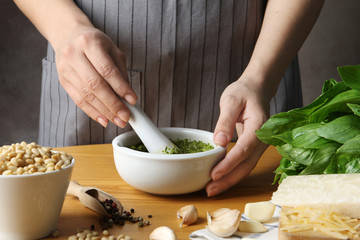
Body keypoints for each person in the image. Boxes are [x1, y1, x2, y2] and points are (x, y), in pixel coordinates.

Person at [14, 0, 324, 196]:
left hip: (251, 65)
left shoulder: (257, 76)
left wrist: (259, 78)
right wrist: (66, 28)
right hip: (89, 67)